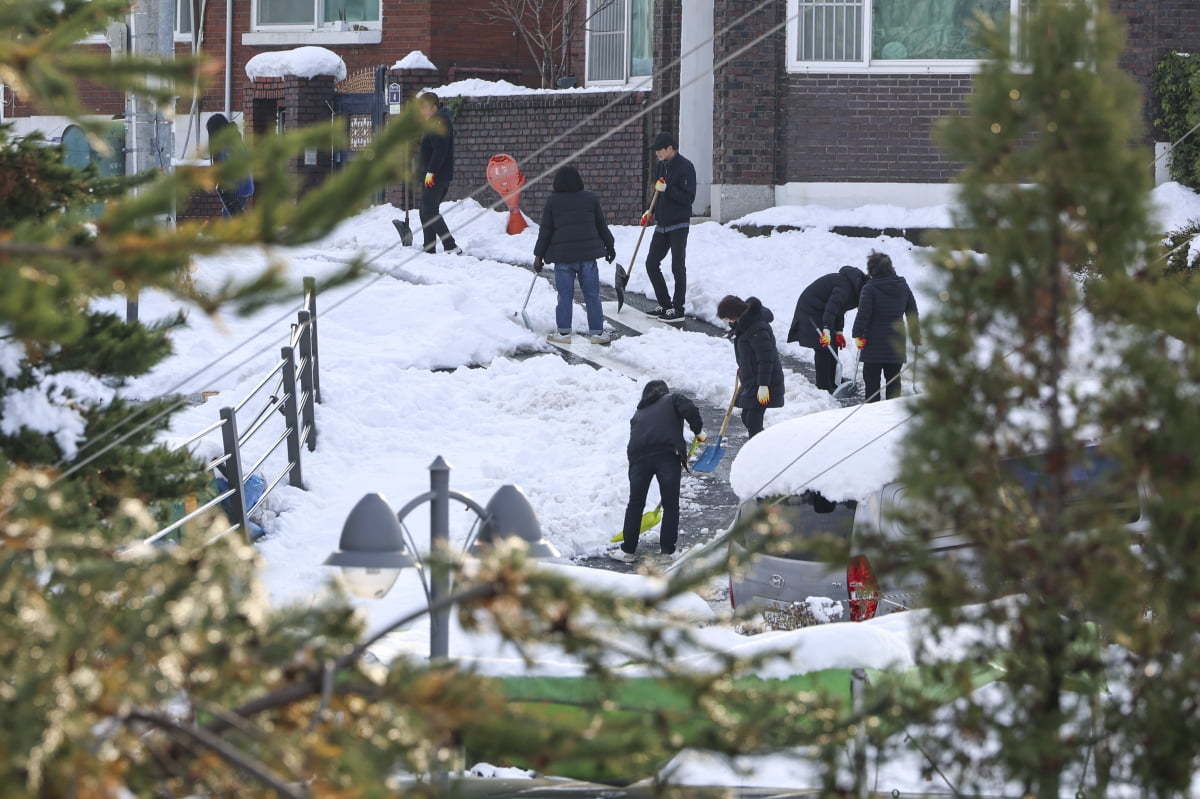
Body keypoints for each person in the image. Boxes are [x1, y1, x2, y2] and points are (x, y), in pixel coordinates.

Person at [608, 379, 704, 564]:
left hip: (638, 460)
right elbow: (690, 409)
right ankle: (667, 553)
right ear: (664, 392)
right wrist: (698, 430)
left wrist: (634, 468)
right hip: (666, 456)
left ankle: (628, 551)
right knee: (670, 504)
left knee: (635, 504)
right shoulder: (672, 399)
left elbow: (632, 443)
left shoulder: (639, 413)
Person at [532, 165, 617, 344]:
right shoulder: (590, 198)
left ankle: (563, 333)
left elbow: (545, 231)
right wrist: (610, 246)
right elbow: (601, 225)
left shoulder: (553, 201)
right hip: (588, 257)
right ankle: (597, 333)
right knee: (592, 294)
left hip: (563, 258)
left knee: (565, 295)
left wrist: (538, 256)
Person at [852, 251, 921, 402]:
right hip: (896, 342)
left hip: (873, 345)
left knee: (872, 384)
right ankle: (892, 415)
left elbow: (863, 315)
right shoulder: (903, 286)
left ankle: (871, 416)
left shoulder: (869, 288)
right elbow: (912, 312)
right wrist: (916, 334)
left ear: (871, 270)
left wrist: (857, 334)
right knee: (894, 382)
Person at [786, 265, 868, 393]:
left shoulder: (853, 289)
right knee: (823, 348)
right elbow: (831, 310)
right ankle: (824, 386)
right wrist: (827, 330)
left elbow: (839, 310)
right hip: (811, 312)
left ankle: (834, 382)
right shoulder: (844, 289)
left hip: (823, 312)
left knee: (833, 346)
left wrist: (838, 332)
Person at [642, 131, 697, 324]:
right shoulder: (661, 167)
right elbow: (658, 193)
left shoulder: (686, 167)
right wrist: (650, 210)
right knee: (651, 263)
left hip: (679, 223)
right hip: (662, 222)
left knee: (677, 266)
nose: (657, 153)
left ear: (670, 148)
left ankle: (678, 308)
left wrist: (669, 190)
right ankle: (665, 305)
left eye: (660, 150)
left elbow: (689, 198)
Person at [716, 295, 785, 438]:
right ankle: (759, 447)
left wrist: (763, 385)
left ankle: (759, 451)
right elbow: (750, 353)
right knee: (747, 417)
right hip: (753, 379)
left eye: (728, 318)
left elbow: (766, 358)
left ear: (733, 313)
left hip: (764, 380)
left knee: (753, 420)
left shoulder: (757, 329)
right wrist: (744, 367)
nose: (728, 322)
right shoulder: (744, 324)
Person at [415, 92, 461, 255]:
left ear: (434, 108)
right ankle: (429, 247)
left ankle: (451, 246)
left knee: (429, 211)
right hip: (432, 175)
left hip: (436, 176)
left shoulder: (440, 122)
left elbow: (439, 151)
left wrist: (431, 172)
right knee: (425, 210)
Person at [206, 113, 254, 217]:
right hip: (242, 186)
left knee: (230, 219)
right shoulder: (235, 139)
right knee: (234, 216)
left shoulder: (224, 144)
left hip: (234, 189)